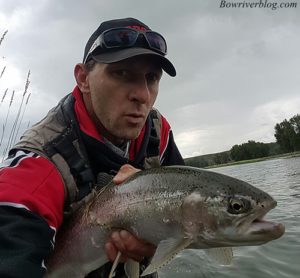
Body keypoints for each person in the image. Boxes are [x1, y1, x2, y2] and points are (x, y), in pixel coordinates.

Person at [0, 17, 184, 277]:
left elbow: (186, 200)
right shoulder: (41, 159)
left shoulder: (156, 130)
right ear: (83, 78)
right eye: (122, 73)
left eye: (152, 78)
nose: (142, 95)